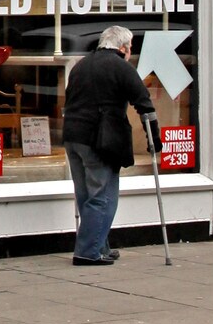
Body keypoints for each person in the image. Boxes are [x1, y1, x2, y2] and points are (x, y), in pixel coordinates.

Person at [62, 23, 158, 267]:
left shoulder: (80, 66)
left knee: (86, 196)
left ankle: (98, 245)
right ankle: (87, 251)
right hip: (100, 139)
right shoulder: (121, 67)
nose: (130, 52)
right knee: (103, 197)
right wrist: (154, 139)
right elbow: (144, 104)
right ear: (124, 47)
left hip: (73, 137)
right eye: (131, 48)